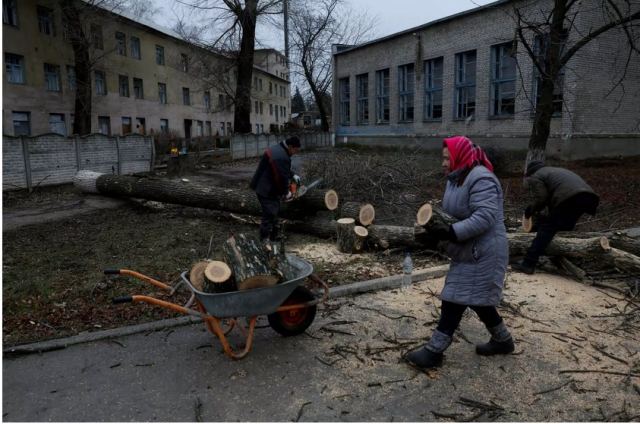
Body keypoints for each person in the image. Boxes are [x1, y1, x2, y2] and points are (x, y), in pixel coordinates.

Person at [403, 136, 514, 371]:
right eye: (442, 158)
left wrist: (451, 232)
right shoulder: (455, 179)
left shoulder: (481, 178)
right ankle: (503, 340)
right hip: (468, 249)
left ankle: (434, 351)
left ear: (459, 156)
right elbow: (450, 212)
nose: (443, 163)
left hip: (484, 252)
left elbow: (484, 217)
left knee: (454, 297)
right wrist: (434, 230)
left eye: (447, 158)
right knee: (477, 299)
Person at [512, 161, 599, 274]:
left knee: (546, 229)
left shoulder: (536, 176)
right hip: (588, 197)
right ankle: (564, 257)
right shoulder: (554, 170)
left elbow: (542, 198)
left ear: (530, 172)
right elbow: (553, 197)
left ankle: (528, 263)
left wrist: (530, 210)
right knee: (563, 227)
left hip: (570, 197)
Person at [250, 136, 301, 243]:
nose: (296, 152)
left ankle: (273, 236)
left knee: (274, 211)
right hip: (265, 188)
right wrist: (286, 192)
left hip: (266, 185)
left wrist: (292, 175)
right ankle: (265, 240)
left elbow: (281, 169)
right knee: (269, 213)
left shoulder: (280, 149)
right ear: (291, 147)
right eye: (295, 150)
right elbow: (281, 177)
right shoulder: (281, 156)